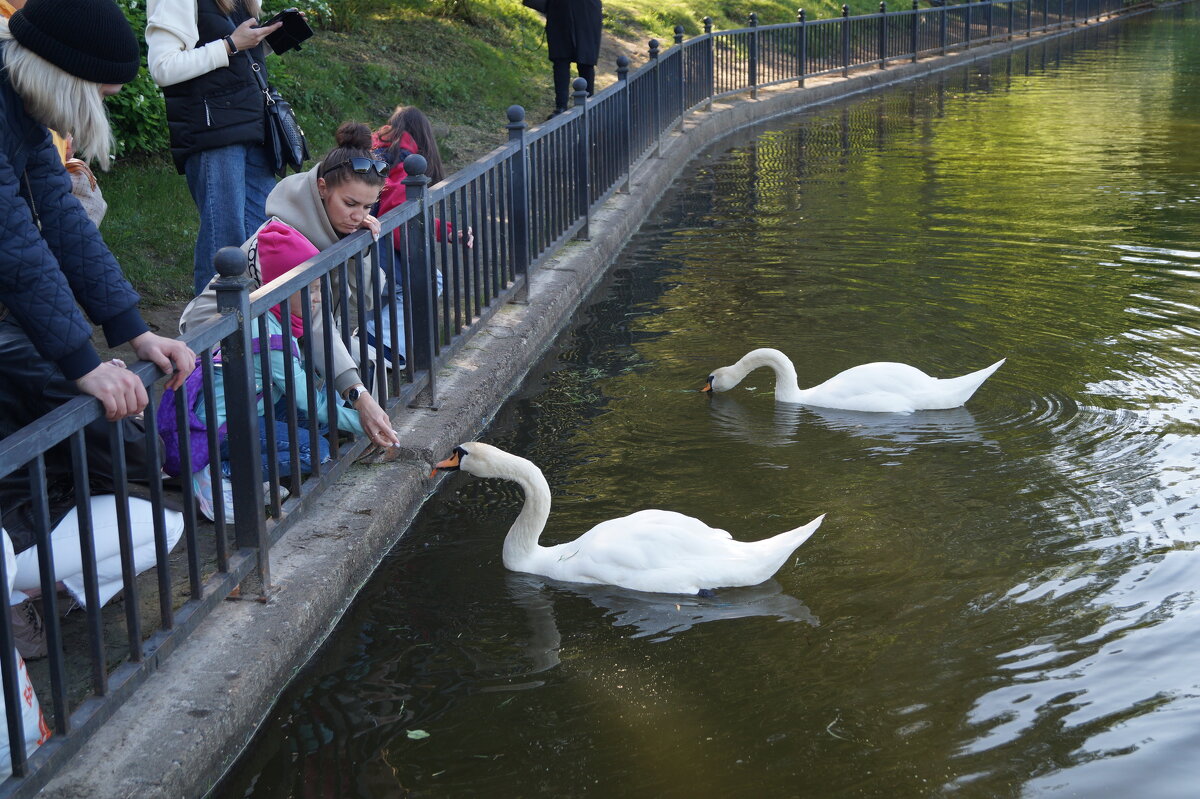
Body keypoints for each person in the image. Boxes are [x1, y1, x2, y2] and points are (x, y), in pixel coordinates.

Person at [0, 0, 194, 655]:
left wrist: (133, 329)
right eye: (100, 94)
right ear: (64, 76)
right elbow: (15, 244)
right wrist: (82, 362)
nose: (100, 111)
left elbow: (60, 218)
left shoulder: (17, 106)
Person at [180, 122, 401, 450]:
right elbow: (315, 324)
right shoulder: (285, 242)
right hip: (228, 355)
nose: (358, 215)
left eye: (368, 207)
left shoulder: (336, 227)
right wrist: (357, 395)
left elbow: (361, 303)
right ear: (323, 188)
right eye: (351, 203)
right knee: (317, 441)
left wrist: (361, 247)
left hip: (281, 357)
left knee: (344, 396)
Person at [181, 220, 367, 521]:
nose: (318, 299)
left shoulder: (271, 315)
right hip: (220, 429)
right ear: (281, 285)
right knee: (317, 452)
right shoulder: (270, 339)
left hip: (252, 408)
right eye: (312, 289)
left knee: (323, 424)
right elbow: (311, 400)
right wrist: (367, 425)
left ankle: (245, 464)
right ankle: (217, 471)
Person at [145, 0, 284, 296]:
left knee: (262, 238)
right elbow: (163, 68)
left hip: (253, 127)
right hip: (214, 132)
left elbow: (234, 58)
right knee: (226, 241)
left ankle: (256, 334)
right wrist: (231, 45)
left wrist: (267, 38)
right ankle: (214, 336)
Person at [369, 105, 466, 364]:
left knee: (385, 290)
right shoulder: (404, 161)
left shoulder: (379, 150)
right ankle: (377, 342)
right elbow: (401, 224)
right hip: (374, 246)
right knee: (430, 281)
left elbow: (405, 215)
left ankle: (370, 339)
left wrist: (445, 231)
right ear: (424, 135)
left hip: (361, 242)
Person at [544, 0, 602, 116]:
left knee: (585, 60)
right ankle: (561, 107)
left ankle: (588, 105)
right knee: (561, 58)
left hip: (586, 11)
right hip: (561, 11)